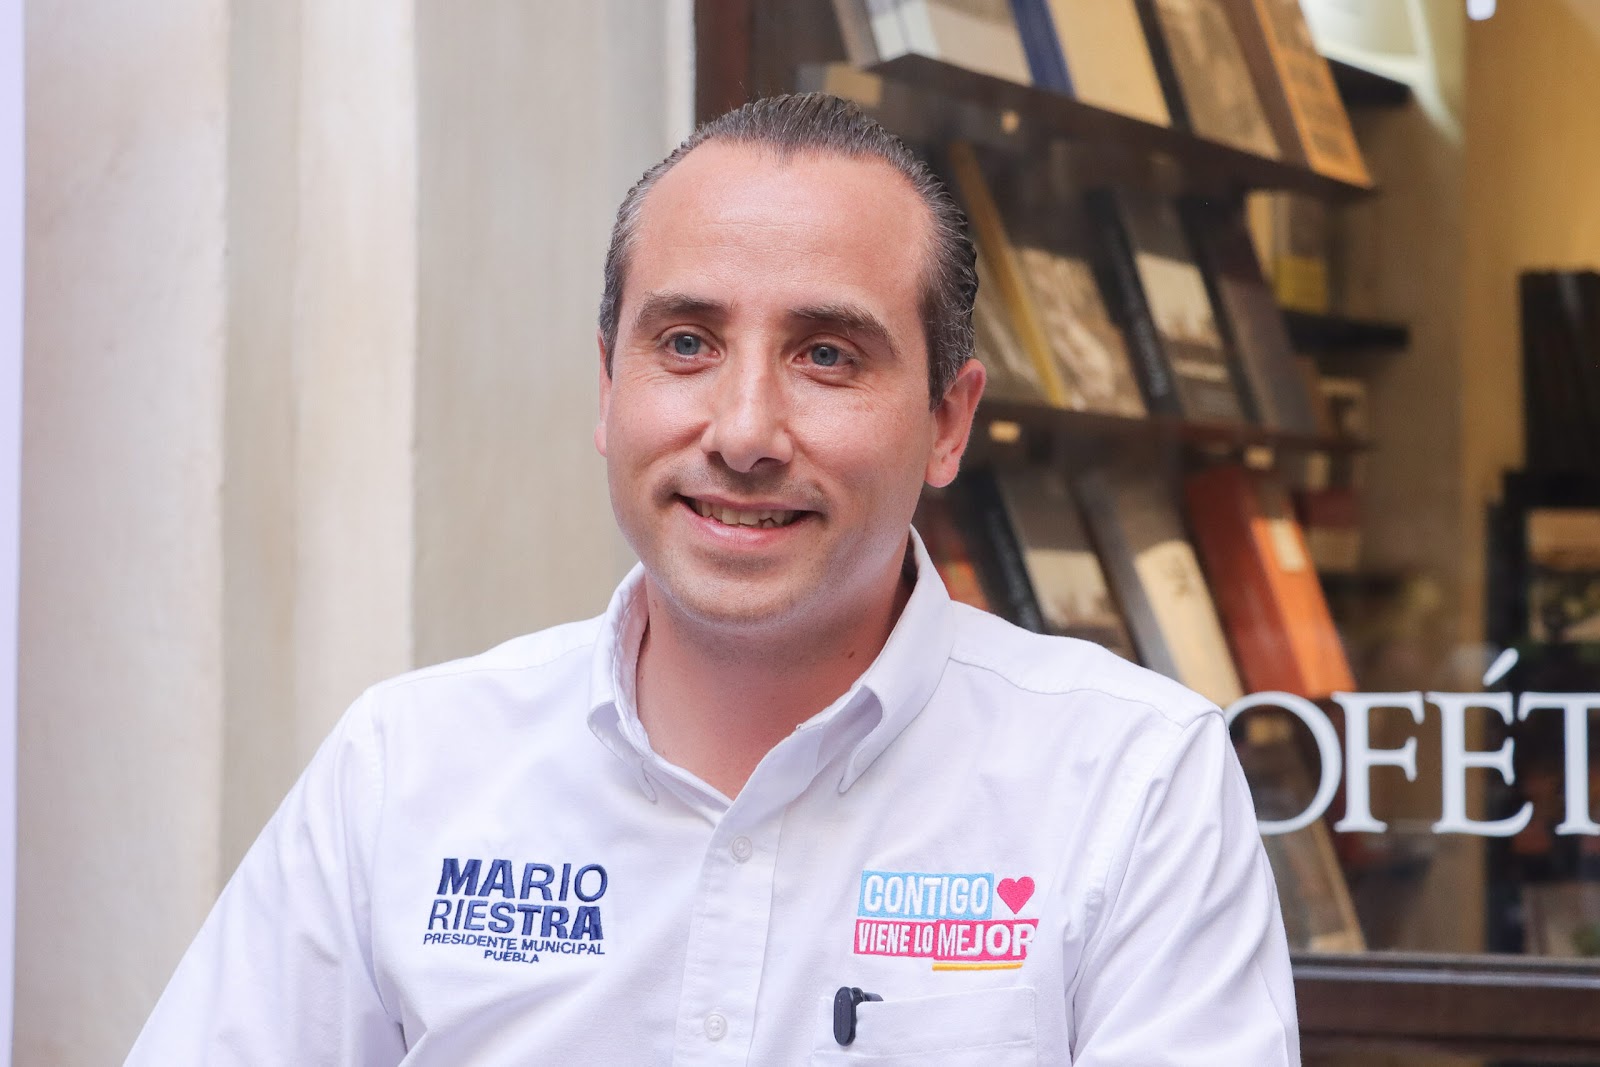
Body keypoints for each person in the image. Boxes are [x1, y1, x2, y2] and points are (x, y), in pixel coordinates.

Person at [128, 94, 1298, 1065]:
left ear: (947, 421)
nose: (742, 431)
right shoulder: (406, 768)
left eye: (826, 354)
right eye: (686, 343)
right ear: (608, 387)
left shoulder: (1131, 784)